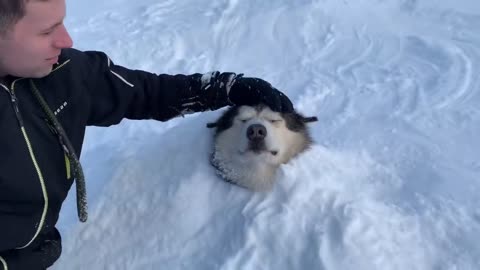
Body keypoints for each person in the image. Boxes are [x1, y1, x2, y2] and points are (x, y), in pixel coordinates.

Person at [0, 0, 294, 269]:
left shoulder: (64, 72)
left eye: (62, 22)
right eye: (47, 31)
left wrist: (226, 88)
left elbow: (144, 93)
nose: (66, 40)